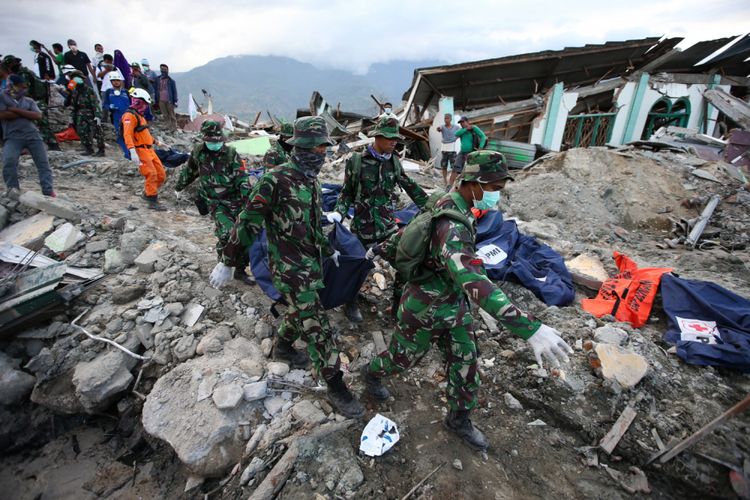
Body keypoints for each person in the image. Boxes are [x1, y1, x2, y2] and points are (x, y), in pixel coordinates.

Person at [362, 150, 572, 451]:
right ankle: (370, 373)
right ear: (474, 183)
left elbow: (413, 227)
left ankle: (458, 419)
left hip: (454, 306)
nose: (496, 196)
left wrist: (383, 247)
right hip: (424, 308)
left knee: (467, 363)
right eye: (494, 188)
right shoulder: (453, 227)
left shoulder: (450, 202)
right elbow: (474, 282)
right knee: (400, 360)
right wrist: (530, 329)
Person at [208, 116, 365, 419]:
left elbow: (312, 224)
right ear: (303, 147)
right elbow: (246, 223)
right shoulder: (274, 181)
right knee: (319, 328)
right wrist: (227, 260)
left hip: (312, 265)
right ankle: (336, 387)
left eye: (325, 149)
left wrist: (329, 248)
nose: (324, 154)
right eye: (320, 148)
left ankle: (283, 347)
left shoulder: (312, 181)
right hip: (289, 270)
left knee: (300, 313)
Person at [331, 115, 428, 322]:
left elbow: (408, 185)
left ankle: (397, 307)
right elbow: (346, 192)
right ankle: (351, 302)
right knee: (356, 267)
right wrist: (339, 212)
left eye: (396, 138)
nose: (394, 142)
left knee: (403, 263)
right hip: (362, 227)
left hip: (387, 226)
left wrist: (430, 206)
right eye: (389, 138)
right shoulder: (357, 162)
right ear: (377, 137)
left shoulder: (393, 161)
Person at [175, 121, 254, 283]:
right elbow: (190, 171)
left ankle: (240, 269)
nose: (215, 144)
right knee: (227, 233)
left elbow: (242, 178)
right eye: (211, 142)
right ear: (204, 139)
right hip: (214, 202)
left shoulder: (231, 153)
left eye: (218, 141)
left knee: (244, 234)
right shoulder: (198, 152)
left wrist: (249, 200)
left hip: (234, 200)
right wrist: (179, 186)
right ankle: (224, 264)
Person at [0, 74, 55, 198]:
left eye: (25, 88)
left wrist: (15, 110)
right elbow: (2, 115)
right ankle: (12, 190)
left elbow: (38, 116)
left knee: (43, 164)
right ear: (12, 86)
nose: (23, 90)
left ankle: (48, 191)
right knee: (9, 162)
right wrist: (26, 114)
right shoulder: (2, 98)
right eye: (21, 87)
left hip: (33, 136)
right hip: (13, 137)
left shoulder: (28, 100)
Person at [2, 55, 60, 151]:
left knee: (42, 123)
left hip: (36, 101)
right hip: (34, 100)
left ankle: (53, 145)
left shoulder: (23, 74)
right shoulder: (23, 72)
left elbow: (25, 90)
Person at [122, 88, 166, 210]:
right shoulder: (129, 116)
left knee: (161, 175)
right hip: (140, 150)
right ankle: (152, 200)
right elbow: (127, 134)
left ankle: (148, 193)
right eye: (145, 104)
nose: (146, 107)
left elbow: (144, 134)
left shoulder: (140, 116)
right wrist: (132, 151)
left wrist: (157, 142)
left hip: (149, 149)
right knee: (151, 174)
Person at [67, 71, 104, 156]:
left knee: (97, 131)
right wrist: (72, 116)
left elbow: (95, 103)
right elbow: (71, 104)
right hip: (79, 113)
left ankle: (101, 150)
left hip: (90, 113)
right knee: (82, 132)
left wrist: (97, 115)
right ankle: (88, 149)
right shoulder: (74, 91)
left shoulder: (89, 90)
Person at [102, 70, 130, 157]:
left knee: (129, 134)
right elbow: (105, 105)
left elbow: (132, 103)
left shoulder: (126, 92)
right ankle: (126, 153)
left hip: (128, 116)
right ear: (111, 82)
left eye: (118, 80)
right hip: (116, 117)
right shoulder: (108, 92)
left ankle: (131, 151)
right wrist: (110, 107)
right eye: (114, 81)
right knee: (120, 135)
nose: (116, 82)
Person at [451, 116, 487, 186]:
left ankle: (468, 185)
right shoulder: (462, 130)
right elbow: (456, 134)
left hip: (471, 152)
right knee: (456, 168)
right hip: (462, 152)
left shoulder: (474, 128)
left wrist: (480, 147)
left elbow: (483, 137)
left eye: (463, 122)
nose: (462, 124)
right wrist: (466, 129)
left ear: (467, 122)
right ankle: (450, 186)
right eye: (460, 123)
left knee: (469, 170)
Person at [436, 113, 460, 187]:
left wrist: (456, 138)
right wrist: (438, 129)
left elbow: (461, 132)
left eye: (447, 118)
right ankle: (445, 181)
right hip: (444, 149)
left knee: (454, 166)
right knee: (444, 166)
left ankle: (453, 181)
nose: (446, 120)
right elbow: (439, 128)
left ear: (450, 119)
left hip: (452, 149)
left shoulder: (456, 127)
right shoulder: (442, 127)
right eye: (445, 118)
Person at [156, 64, 178, 131]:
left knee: (171, 114)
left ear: (167, 70)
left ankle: (174, 127)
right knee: (165, 114)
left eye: (165, 69)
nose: (163, 71)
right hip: (161, 100)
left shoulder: (171, 81)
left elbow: (174, 91)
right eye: (162, 69)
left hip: (169, 100)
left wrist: (175, 100)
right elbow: (156, 89)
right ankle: (167, 126)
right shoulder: (158, 79)